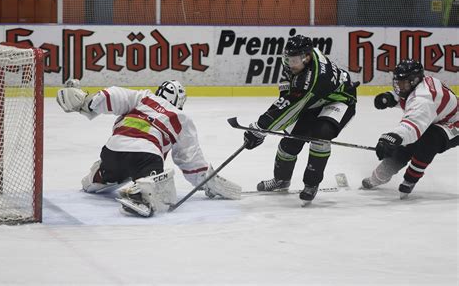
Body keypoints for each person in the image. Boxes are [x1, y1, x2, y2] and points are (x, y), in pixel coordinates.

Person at [56, 79, 241, 217]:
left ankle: (98, 176)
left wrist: (87, 102)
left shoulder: (143, 97)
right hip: (145, 157)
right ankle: (144, 192)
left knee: (108, 170)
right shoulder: (181, 117)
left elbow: (114, 95)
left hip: (112, 152)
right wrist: (209, 182)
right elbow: (191, 161)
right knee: (163, 190)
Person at [242, 34, 359, 206]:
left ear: (307, 57)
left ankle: (311, 183)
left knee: (321, 134)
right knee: (291, 142)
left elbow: (290, 105)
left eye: (295, 60)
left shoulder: (313, 78)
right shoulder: (298, 60)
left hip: (339, 100)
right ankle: (281, 180)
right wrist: (271, 117)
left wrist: (260, 128)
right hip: (314, 100)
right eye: (289, 59)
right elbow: (287, 95)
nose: (291, 64)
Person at [361, 59, 458, 198]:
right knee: (403, 147)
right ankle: (377, 177)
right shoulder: (418, 85)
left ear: (414, 80)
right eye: (397, 82)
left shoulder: (424, 99)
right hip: (437, 118)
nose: (399, 86)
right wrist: (390, 97)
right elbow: (407, 96)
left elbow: (412, 126)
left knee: (430, 139)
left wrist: (392, 137)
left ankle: (409, 181)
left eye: (402, 82)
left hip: (455, 123)